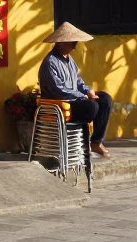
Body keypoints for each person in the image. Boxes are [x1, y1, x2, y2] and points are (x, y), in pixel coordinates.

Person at [38, 21, 113, 158]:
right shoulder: (50, 62)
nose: (74, 47)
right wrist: (82, 96)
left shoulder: (69, 60)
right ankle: (83, 140)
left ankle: (96, 141)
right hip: (60, 104)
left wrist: (87, 91)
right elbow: (58, 89)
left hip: (75, 100)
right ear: (61, 43)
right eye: (72, 43)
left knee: (105, 99)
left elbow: (77, 80)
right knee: (92, 106)